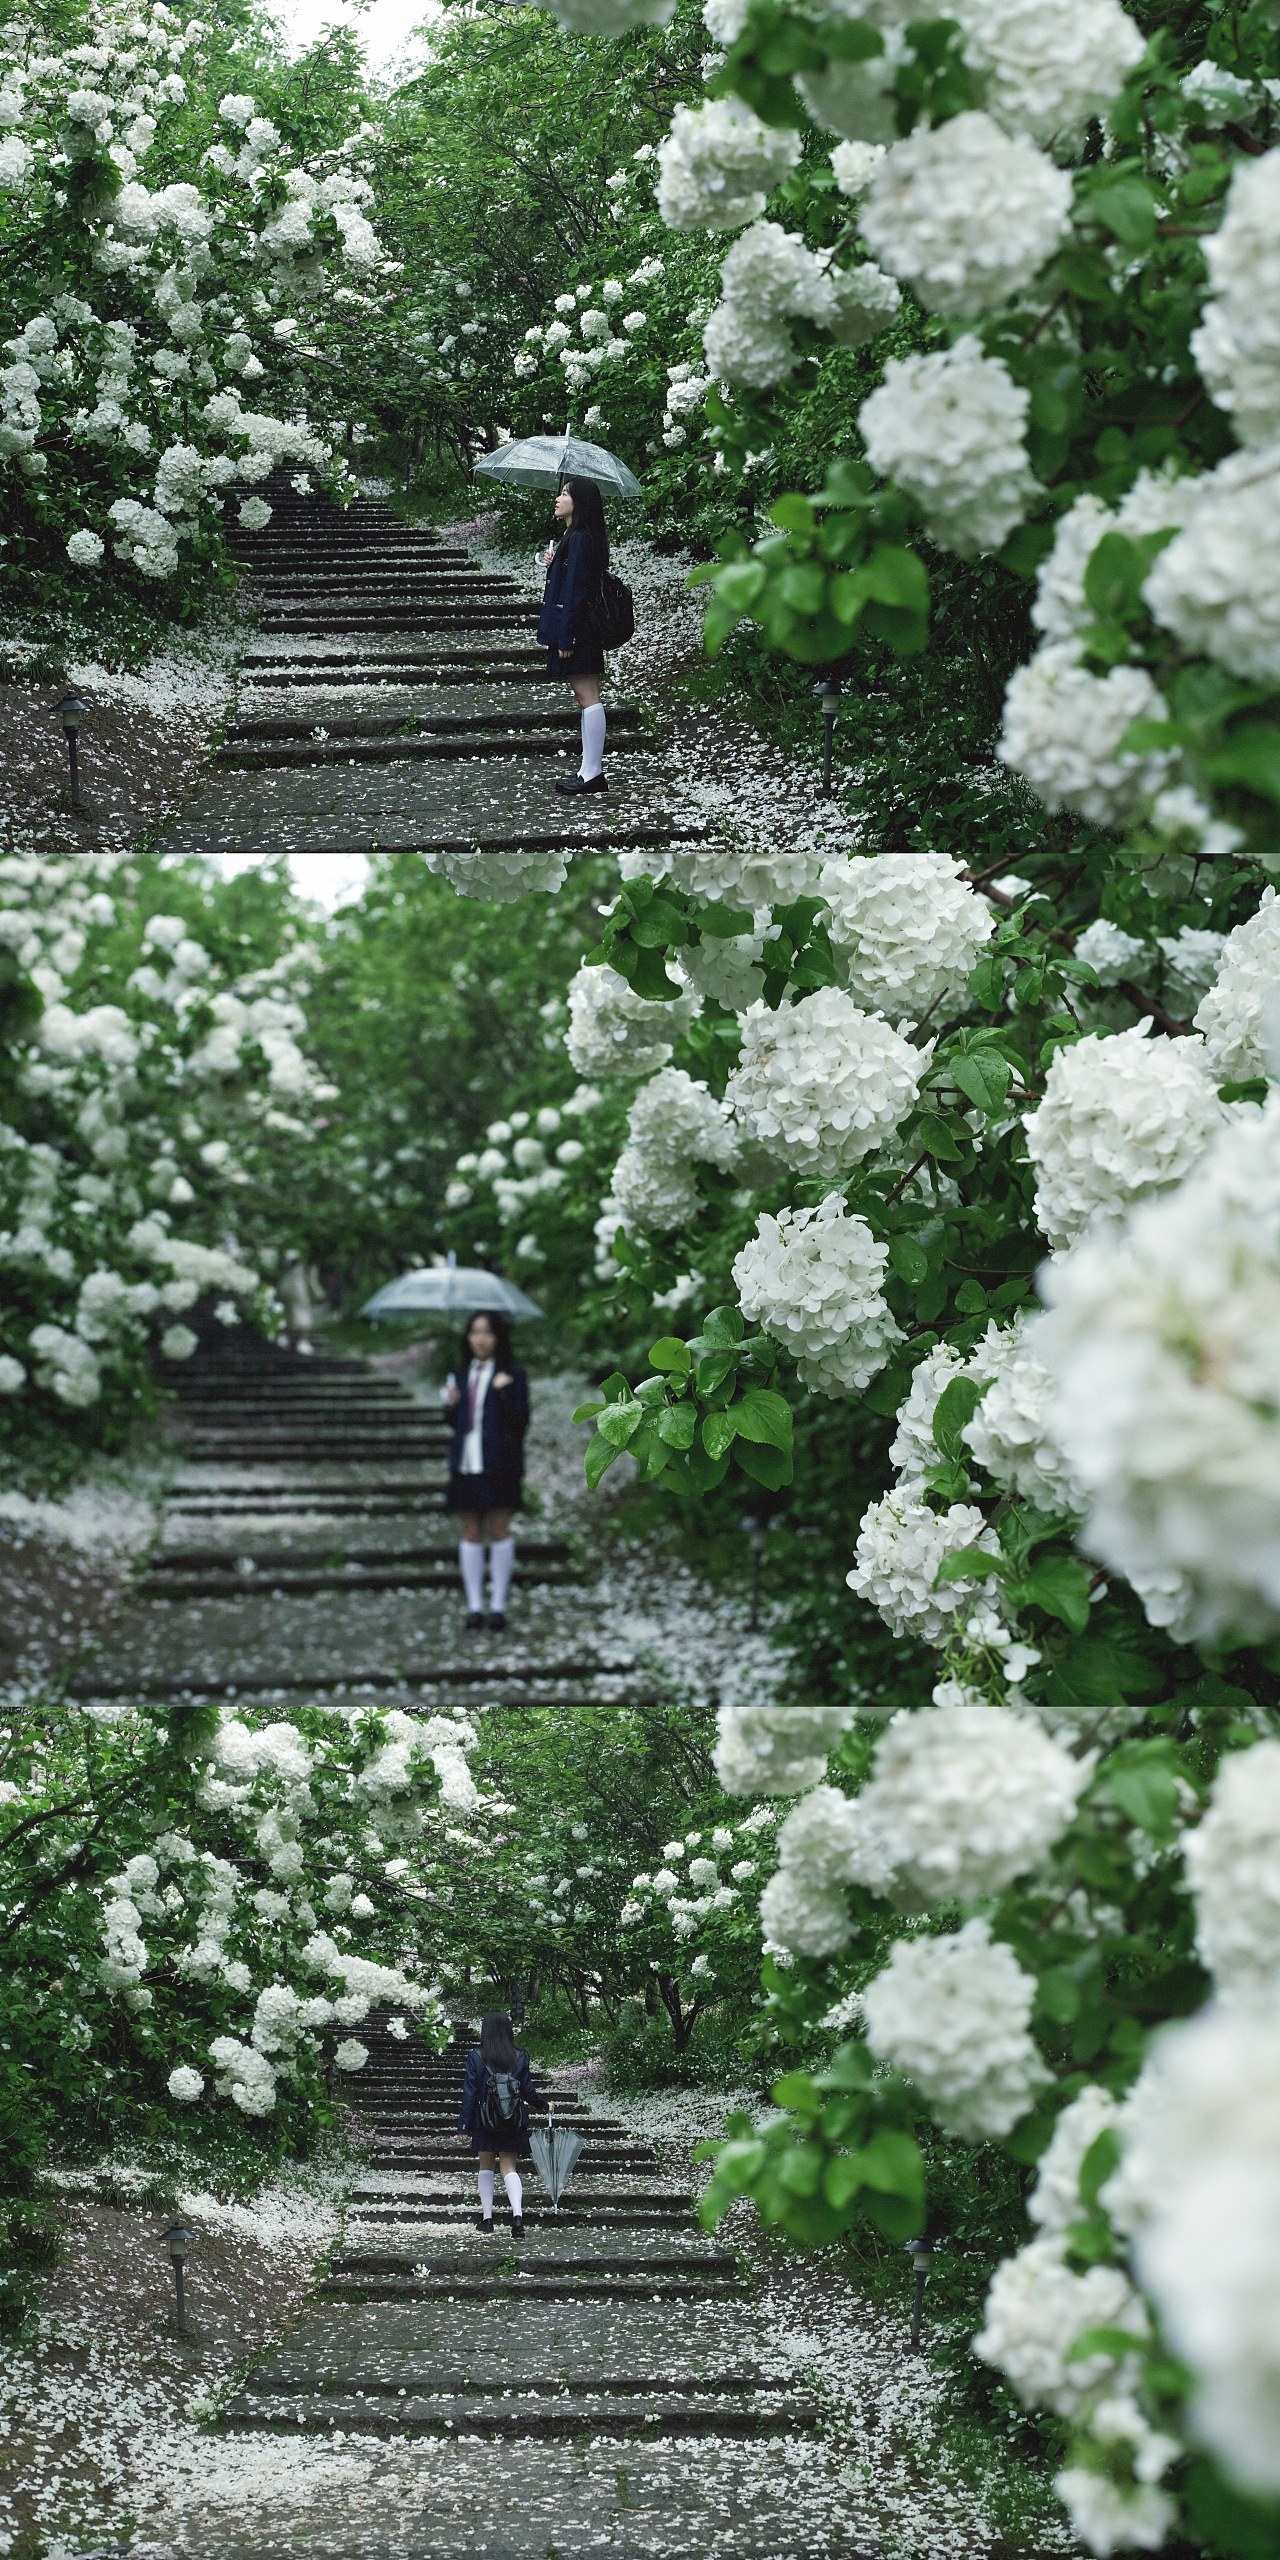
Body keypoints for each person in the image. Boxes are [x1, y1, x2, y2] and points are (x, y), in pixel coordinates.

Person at [441, 1309, 529, 1631]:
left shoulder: (513, 1374)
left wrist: (503, 1390)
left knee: (499, 1527)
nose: (480, 1339)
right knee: (470, 1529)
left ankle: (499, 1606)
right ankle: (475, 1606)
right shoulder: (460, 1374)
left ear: (498, 1337)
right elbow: (456, 1423)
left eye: (487, 1332)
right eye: (475, 1332)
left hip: (499, 1461)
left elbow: (520, 1421)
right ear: (467, 1338)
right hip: (466, 1461)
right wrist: (451, 1403)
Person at [537, 475, 609, 798]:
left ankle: (592, 773)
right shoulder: (575, 537)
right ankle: (587, 769)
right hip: (581, 628)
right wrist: (555, 563)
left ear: (579, 502)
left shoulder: (579, 538)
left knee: (587, 696)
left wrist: (567, 638)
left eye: (565, 494)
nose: (558, 498)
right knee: (585, 697)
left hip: (579, 630)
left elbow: (576, 592)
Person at [458, 2008, 535, 2236]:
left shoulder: (476, 2056)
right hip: (512, 2119)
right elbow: (527, 2090)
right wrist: (544, 2104)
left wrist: (464, 2126)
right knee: (509, 2168)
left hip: (485, 2119)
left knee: (486, 2167)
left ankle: (488, 2219)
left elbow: (470, 2092)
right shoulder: (520, 2056)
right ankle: (517, 2218)